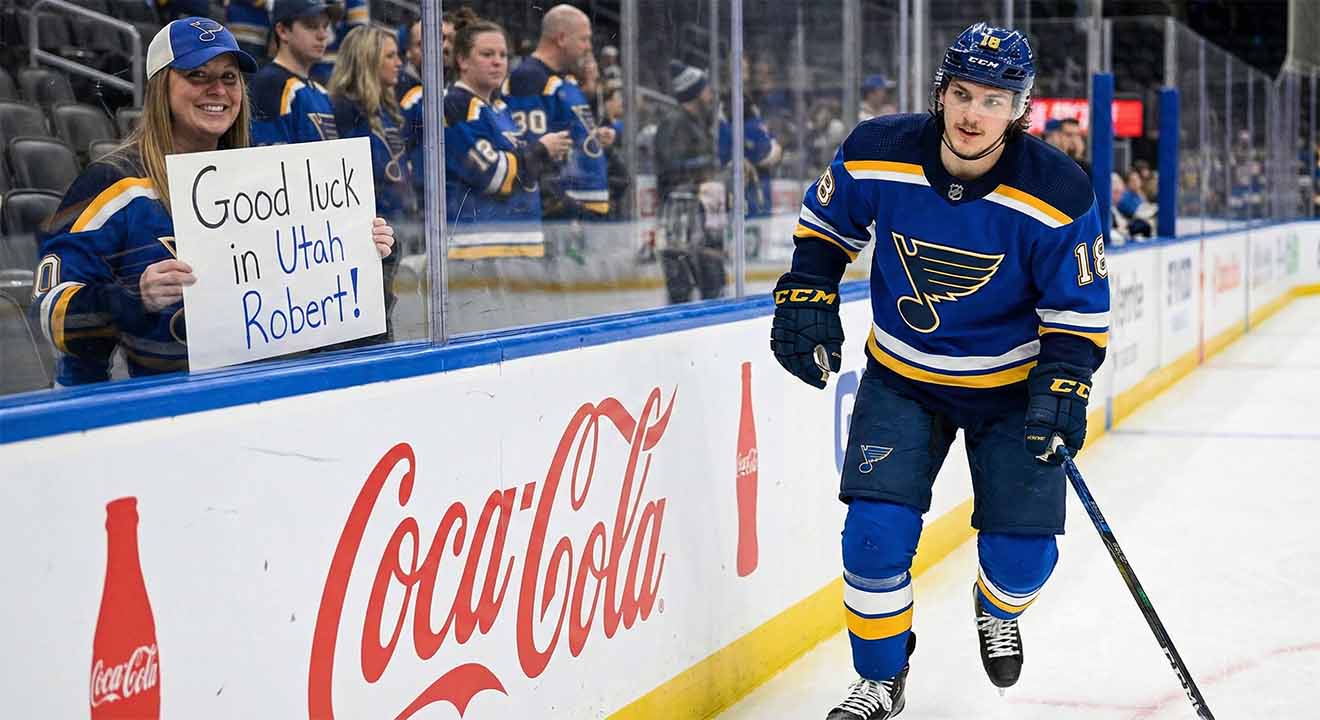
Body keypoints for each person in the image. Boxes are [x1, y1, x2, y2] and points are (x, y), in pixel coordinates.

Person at [769, 22, 1109, 719]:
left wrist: (1065, 384)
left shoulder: (1056, 191)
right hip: (904, 377)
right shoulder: (878, 150)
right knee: (872, 539)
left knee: (1022, 563)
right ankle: (882, 679)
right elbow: (828, 226)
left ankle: (996, 606)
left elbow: (1077, 312)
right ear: (941, 93)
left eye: (993, 99)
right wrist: (809, 286)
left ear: (1020, 110)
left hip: (1011, 391)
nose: (972, 113)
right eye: (961, 93)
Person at [31, 18, 395, 385]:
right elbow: (50, 310)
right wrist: (133, 298)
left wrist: (366, 256)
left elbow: (322, 309)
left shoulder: (271, 181)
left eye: (229, 77)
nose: (217, 90)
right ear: (161, 88)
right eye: (197, 75)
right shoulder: (112, 183)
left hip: (274, 397)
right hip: (167, 412)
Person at [443, 17, 571, 260]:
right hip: (482, 248)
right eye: (487, 54)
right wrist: (542, 150)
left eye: (503, 55)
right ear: (462, 60)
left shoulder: (500, 108)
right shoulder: (456, 106)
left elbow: (526, 170)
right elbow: (495, 175)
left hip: (521, 243)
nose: (497, 62)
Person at [328, 24, 411, 338]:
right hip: (362, 243)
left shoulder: (385, 110)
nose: (399, 62)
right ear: (368, 59)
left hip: (393, 233)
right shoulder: (344, 110)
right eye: (390, 56)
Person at [504, 4, 614, 225]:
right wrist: (570, 210)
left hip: (582, 210)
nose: (588, 48)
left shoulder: (566, 81)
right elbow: (534, 154)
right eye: (584, 39)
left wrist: (592, 137)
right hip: (565, 217)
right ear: (562, 38)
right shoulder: (530, 79)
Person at [654, 59, 725, 304]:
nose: (710, 94)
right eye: (705, 89)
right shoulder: (675, 123)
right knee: (681, 286)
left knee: (713, 281)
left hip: (700, 212)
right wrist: (706, 169)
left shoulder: (698, 123)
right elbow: (671, 167)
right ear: (694, 92)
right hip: (680, 214)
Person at [249, 0, 337, 145]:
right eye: (312, 26)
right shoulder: (270, 84)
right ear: (283, 31)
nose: (323, 35)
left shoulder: (321, 92)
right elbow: (269, 159)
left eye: (325, 26)